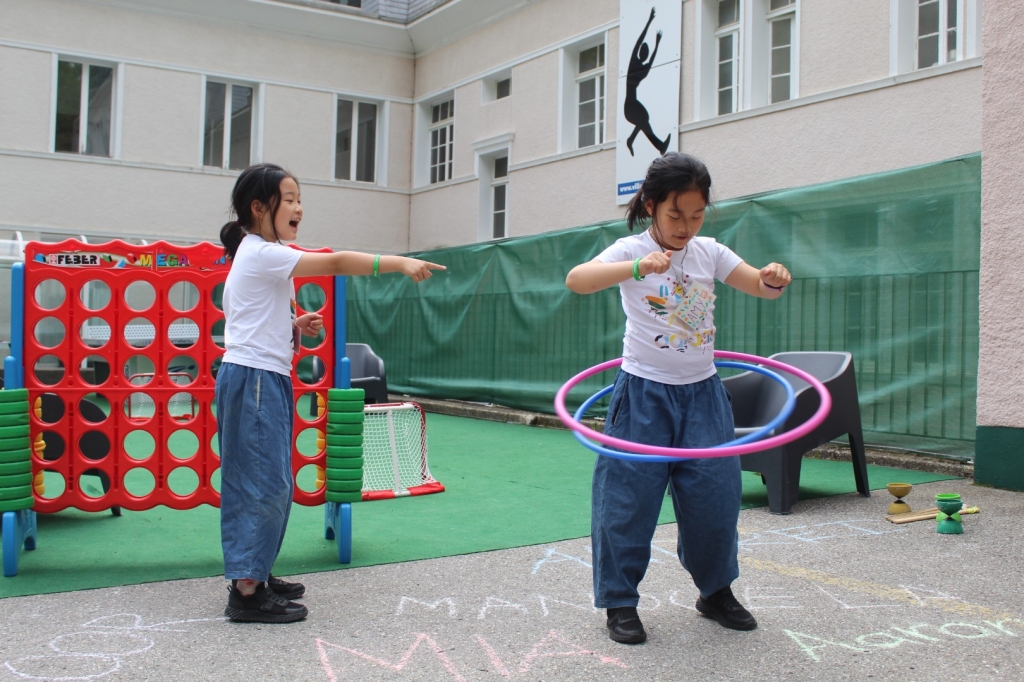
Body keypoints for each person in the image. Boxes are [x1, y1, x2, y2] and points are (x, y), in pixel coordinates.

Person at [565, 152, 791, 644]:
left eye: (697, 214)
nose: (686, 226)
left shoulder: (709, 252)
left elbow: (759, 285)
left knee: (715, 498)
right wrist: (634, 266)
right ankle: (620, 602)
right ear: (651, 205)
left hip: (704, 395)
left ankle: (716, 591)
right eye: (675, 215)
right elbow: (577, 280)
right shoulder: (630, 248)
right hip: (643, 393)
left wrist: (773, 278)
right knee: (626, 501)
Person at [216, 163, 444, 623]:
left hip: (263, 376)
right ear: (259, 207)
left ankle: (255, 572)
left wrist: (292, 324)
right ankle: (246, 591)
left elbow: (250, 317)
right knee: (264, 482)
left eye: (300, 199)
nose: (298, 208)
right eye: (289, 199)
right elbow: (336, 263)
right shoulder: (261, 252)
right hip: (255, 379)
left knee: (271, 480)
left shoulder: (264, 254)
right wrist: (398, 262)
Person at [624, 7, 671, 156]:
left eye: (645, 52)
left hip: (632, 104)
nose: (643, 53)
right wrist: (649, 21)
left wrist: (657, 44)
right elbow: (640, 40)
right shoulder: (633, 63)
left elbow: (651, 62)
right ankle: (657, 145)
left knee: (644, 119)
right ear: (640, 53)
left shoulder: (643, 70)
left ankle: (633, 140)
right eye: (643, 51)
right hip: (630, 105)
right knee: (644, 120)